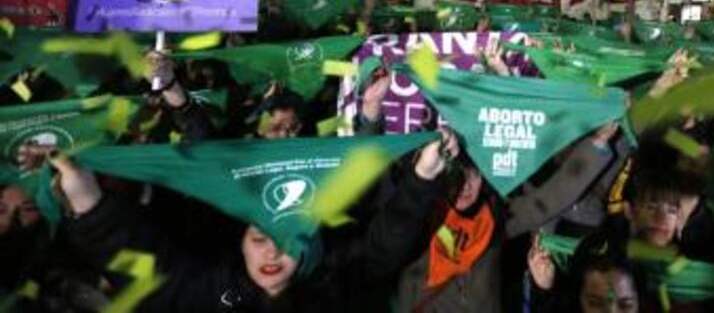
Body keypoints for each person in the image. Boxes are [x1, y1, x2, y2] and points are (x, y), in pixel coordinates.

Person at [52, 131, 461, 311]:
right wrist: (85, 199)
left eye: (286, 238)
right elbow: (146, 263)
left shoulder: (332, 287)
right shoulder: (211, 290)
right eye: (258, 238)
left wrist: (423, 175)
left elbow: (383, 245)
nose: (272, 251)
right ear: (240, 243)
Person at [391, 122, 623, 312]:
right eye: (456, 177)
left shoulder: (492, 220)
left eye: (473, 175)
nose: (465, 186)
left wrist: (597, 144)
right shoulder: (416, 222)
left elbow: (548, 200)